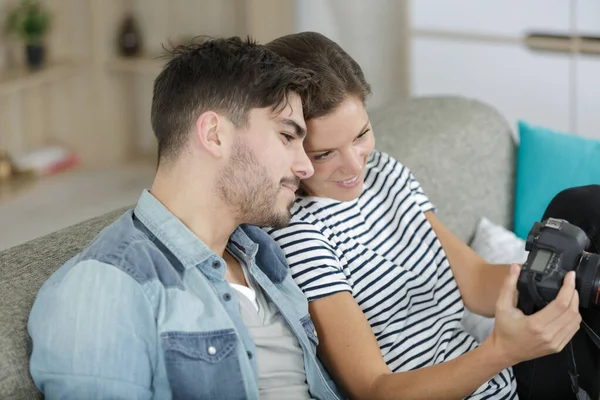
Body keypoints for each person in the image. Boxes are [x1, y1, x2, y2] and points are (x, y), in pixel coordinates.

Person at [265, 31, 597, 400]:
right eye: (324, 154)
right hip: (484, 376)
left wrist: (568, 277)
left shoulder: (384, 174)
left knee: (581, 214)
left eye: (361, 135)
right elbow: (376, 391)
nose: (354, 165)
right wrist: (502, 351)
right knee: (580, 207)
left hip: (508, 381)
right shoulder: (298, 234)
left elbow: (476, 280)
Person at [27, 36, 343, 400]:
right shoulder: (108, 286)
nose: (305, 167)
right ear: (214, 134)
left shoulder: (261, 255)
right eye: (287, 135)